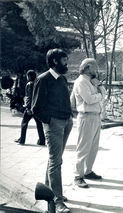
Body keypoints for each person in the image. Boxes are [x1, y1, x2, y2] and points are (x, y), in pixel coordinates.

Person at [31, 48, 73, 213]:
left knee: (55, 159)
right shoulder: (43, 79)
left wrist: (69, 117)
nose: (67, 63)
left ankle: (48, 192)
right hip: (54, 124)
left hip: (66, 121)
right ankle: (57, 201)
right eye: (64, 60)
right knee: (56, 162)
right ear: (55, 61)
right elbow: (35, 108)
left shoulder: (61, 79)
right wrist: (50, 121)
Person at [71, 58, 104, 188]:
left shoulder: (91, 81)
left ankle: (88, 171)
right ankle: (77, 175)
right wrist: (99, 94)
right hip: (86, 117)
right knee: (83, 147)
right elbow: (89, 99)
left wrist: (99, 89)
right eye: (95, 67)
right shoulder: (81, 82)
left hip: (95, 116)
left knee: (93, 147)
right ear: (88, 67)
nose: (97, 70)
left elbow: (104, 93)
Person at [14, 70, 45, 145]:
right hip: (37, 108)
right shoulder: (38, 83)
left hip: (30, 108)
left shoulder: (29, 84)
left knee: (24, 123)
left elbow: (29, 97)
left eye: (27, 76)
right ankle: (42, 140)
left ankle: (22, 139)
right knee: (39, 124)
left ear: (29, 76)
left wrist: (28, 108)